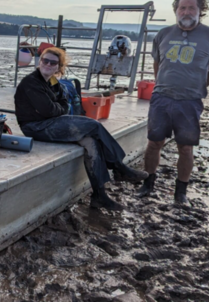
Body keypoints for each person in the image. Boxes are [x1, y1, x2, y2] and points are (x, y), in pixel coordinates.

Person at [14, 46, 148, 211]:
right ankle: (119, 167)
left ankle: (99, 195)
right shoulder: (31, 82)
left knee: (91, 142)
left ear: (59, 67)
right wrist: (59, 108)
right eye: (44, 60)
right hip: (35, 127)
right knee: (94, 125)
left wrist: (58, 107)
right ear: (39, 61)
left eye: (53, 62)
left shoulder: (53, 82)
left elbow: (63, 103)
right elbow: (50, 110)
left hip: (52, 122)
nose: (48, 64)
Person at [137, 0, 209, 204]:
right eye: (182, 8)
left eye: (191, 8)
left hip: (190, 101)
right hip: (161, 98)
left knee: (185, 148)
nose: (186, 12)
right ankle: (148, 183)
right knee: (154, 143)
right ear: (176, 11)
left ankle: (181, 192)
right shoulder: (163, 34)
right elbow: (158, 63)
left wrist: (199, 86)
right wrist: (161, 84)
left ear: (200, 11)